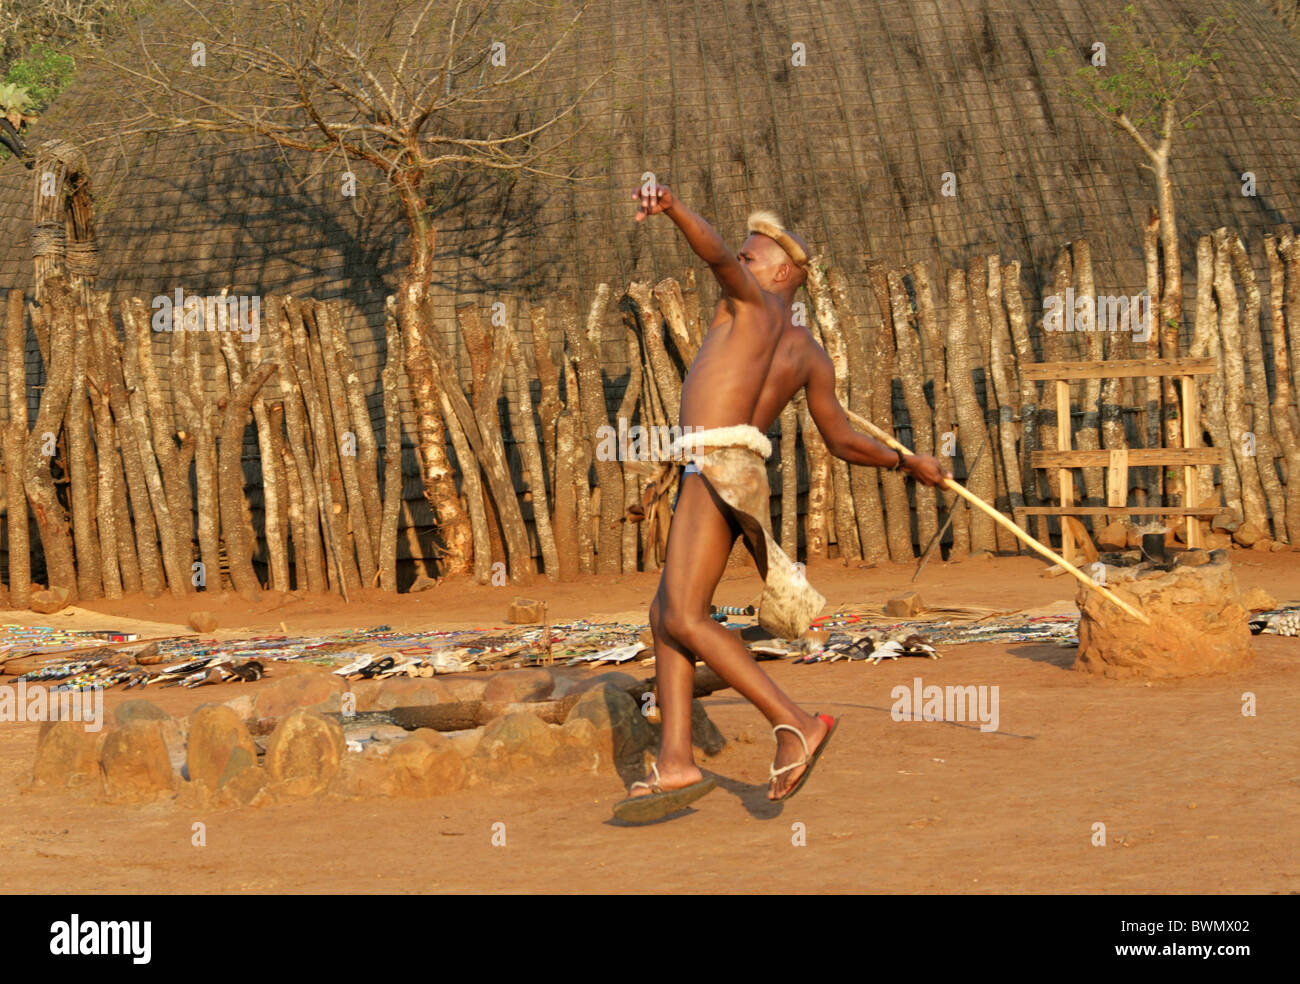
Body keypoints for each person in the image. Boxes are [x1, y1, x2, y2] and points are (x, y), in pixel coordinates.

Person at [613, 183, 950, 823]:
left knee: (682, 617)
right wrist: (909, 463)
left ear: (785, 272)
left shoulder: (750, 307)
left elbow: (711, 256)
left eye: (752, 256)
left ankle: (793, 722)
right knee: (668, 614)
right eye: (741, 257)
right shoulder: (805, 352)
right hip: (725, 467)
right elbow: (845, 441)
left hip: (715, 465)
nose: (739, 263)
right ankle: (678, 759)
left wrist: (675, 206)